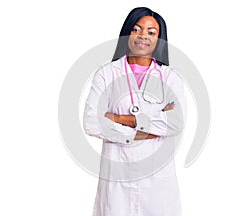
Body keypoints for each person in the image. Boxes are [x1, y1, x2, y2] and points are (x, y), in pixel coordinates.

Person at [83, 7, 187, 216]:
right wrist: (148, 131)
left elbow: (176, 122)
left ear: (160, 39)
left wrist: (119, 119)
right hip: (117, 176)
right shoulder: (107, 74)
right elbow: (91, 122)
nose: (143, 36)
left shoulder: (169, 77)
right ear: (126, 34)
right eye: (136, 29)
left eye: (151, 32)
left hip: (157, 181)